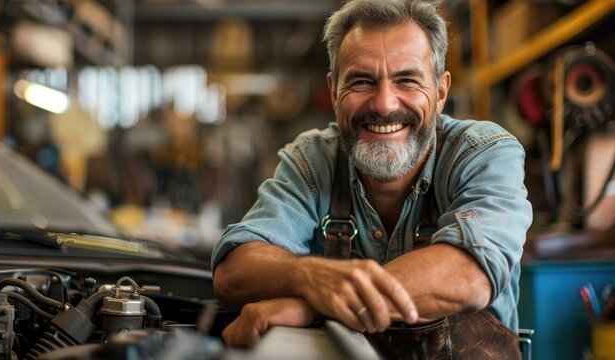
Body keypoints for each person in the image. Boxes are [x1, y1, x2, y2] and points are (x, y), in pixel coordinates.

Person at [211, 0, 533, 357]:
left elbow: (467, 276)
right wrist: (309, 277)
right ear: (334, 91)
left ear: (441, 92)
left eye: (407, 80)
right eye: (362, 81)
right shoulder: (312, 161)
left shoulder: (484, 153)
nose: (383, 104)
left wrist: (314, 305)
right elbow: (233, 272)